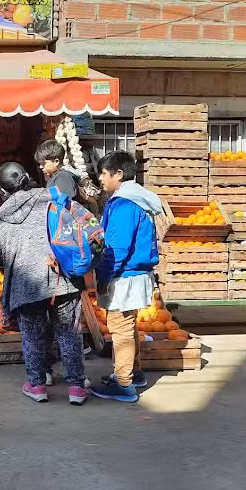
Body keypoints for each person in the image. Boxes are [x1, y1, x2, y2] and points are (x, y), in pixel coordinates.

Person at [0, 162, 88, 405]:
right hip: (62, 278)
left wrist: (12, 270)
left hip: (25, 285)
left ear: (2, 190)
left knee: (32, 336)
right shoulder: (52, 197)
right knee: (69, 333)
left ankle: (37, 385)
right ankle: (76, 388)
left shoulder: (0, 219)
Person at [90, 150, 162, 403]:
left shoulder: (123, 204)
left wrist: (104, 276)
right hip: (137, 273)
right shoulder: (138, 198)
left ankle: (123, 384)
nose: (100, 178)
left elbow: (116, 248)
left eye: (104, 173)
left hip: (124, 275)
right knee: (128, 326)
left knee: (120, 328)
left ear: (118, 174)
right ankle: (134, 372)